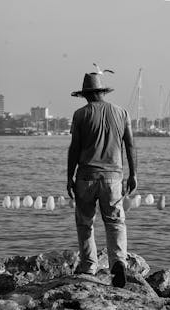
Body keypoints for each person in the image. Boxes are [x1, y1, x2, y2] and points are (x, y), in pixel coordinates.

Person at [67, 72, 137, 288]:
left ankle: (89, 265)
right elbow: (130, 145)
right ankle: (118, 263)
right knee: (116, 222)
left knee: (85, 222)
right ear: (102, 92)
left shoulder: (80, 115)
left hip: (86, 176)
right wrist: (133, 174)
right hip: (113, 178)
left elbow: (75, 148)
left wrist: (69, 176)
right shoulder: (121, 113)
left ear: (86, 95)